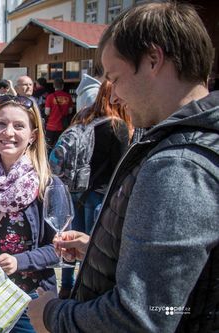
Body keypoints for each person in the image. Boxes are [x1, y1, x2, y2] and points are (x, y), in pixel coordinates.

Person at [39, 3, 219, 332]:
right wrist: (101, 249)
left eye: (116, 78)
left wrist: (51, 315)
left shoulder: (178, 165)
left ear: (153, 59)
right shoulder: (186, 145)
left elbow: (139, 317)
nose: (116, 95)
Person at [0, 94, 58, 333]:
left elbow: (59, 251)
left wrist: (19, 261)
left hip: (28, 295)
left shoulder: (47, 185)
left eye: (19, 126)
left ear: (33, 135)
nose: (8, 132)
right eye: (1, 124)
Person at [57, 80, 132, 299]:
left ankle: (66, 285)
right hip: (98, 194)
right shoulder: (116, 125)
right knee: (91, 246)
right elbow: (120, 166)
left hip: (74, 189)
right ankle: (87, 289)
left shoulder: (82, 117)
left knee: (70, 241)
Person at [44, 78, 73, 150]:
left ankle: (48, 161)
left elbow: (47, 112)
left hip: (51, 127)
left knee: (48, 148)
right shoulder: (68, 96)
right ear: (63, 86)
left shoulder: (50, 97)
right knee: (61, 148)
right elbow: (70, 111)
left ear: (54, 86)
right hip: (63, 127)